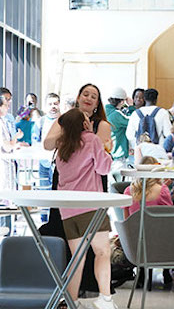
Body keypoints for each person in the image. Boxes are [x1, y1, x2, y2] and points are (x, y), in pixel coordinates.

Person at [53, 108, 117, 309]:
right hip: (90, 206)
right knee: (102, 253)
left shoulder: (62, 146)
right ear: (83, 124)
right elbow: (104, 168)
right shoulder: (91, 140)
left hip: (68, 210)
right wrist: (107, 151)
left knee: (77, 258)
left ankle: (72, 301)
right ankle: (105, 299)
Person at [33, 92, 61, 189]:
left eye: (55, 104)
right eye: (50, 104)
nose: (53, 107)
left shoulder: (65, 121)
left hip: (60, 163)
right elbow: (35, 142)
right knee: (44, 192)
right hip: (43, 162)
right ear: (45, 106)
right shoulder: (40, 122)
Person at [105, 87, 131, 183]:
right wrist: (131, 106)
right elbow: (132, 121)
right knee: (118, 185)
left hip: (109, 153)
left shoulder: (105, 111)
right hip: (118, 155)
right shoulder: (116, 115)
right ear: (121, 101)